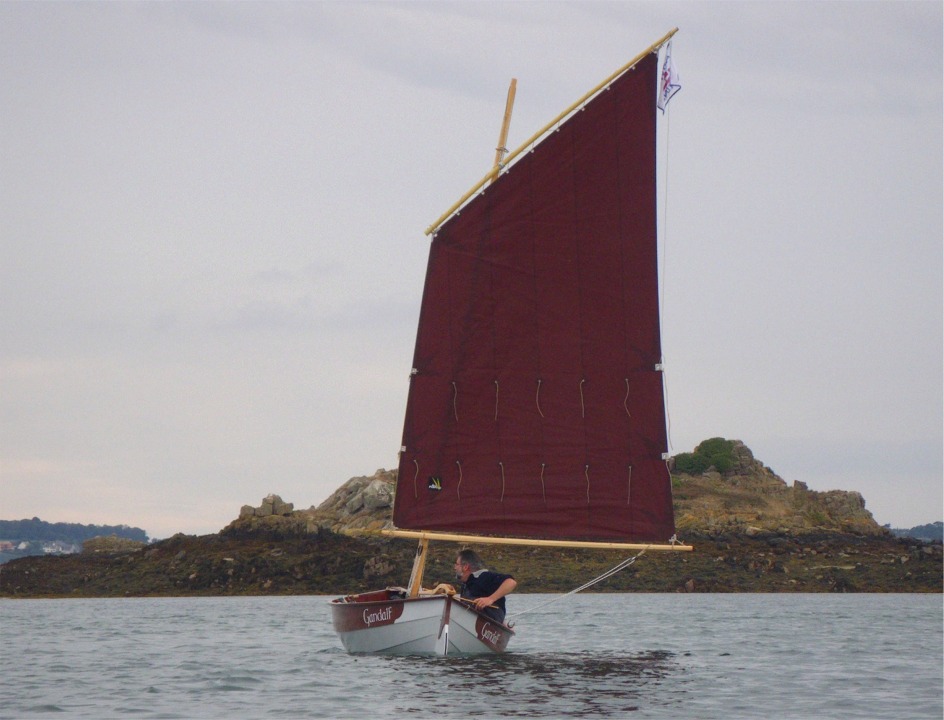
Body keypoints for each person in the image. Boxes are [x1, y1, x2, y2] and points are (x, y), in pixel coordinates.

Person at [454, 549, 517, 624]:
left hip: (489, 624)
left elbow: (511, 582)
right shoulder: (466, 585)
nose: (455, 568)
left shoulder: (484, 577)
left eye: (457, 564)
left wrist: (490, 599)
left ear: (465, 567)